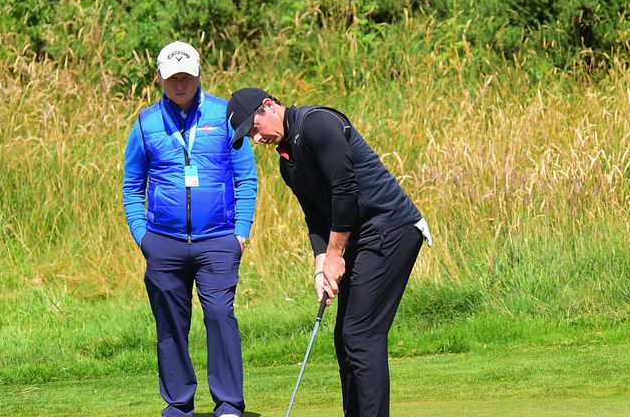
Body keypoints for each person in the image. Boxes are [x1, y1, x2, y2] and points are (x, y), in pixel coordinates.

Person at [227, 88, 433, 417]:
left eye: (254, 128)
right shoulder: (288, 164)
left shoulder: (317, 124)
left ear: (268, 106)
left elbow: (345, 190)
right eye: (250, 135)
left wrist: (336, 254)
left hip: (392, 228)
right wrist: (321, 263)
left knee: (361, 335)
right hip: (361, 236)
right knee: (345, 337)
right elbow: (316, 216)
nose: (256, 139)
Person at [122, 41, 257, 417]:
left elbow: (246, 178)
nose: (179, 84)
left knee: (219, 314)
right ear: (160, 79)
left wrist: (240, 232)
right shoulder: (147, 123)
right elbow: (132, 185)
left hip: (218, 240)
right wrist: (142, 236)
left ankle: (229, 402)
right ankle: (179, 403)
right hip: (162, 242)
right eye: (172, 78)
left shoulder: (224, 115)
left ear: (198, 74)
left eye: (186, 76)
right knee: (169, 322)